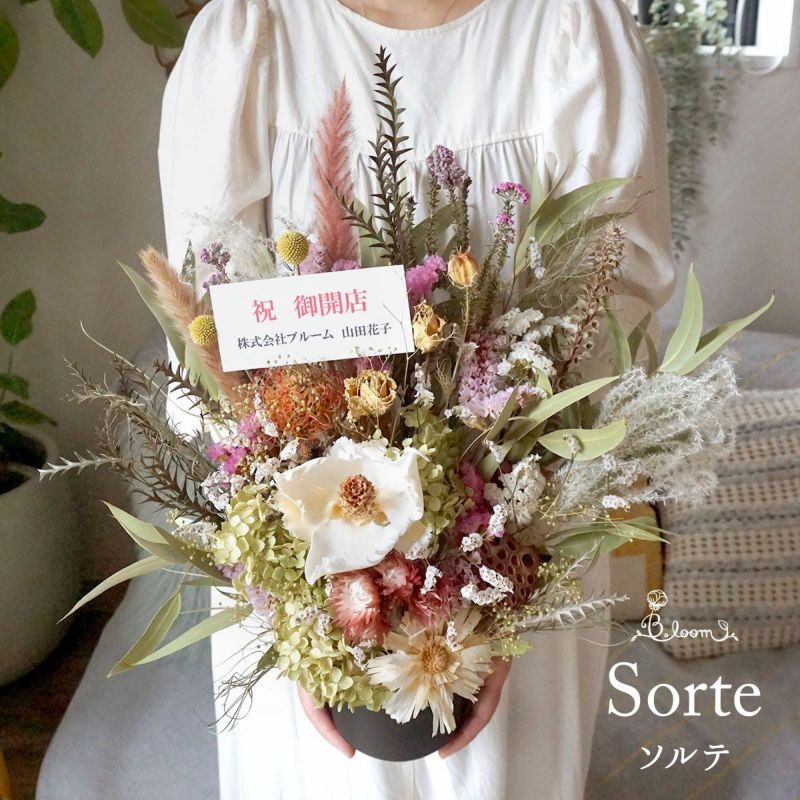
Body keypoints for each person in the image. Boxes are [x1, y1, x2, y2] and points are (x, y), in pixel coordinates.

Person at [158, 0, 674, 797]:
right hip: (301, 589)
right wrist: (304, 615)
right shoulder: (247, 36)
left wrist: (498, 603)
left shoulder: (577, 33)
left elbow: (611, 323)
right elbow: (209, 337)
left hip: (523, 572)